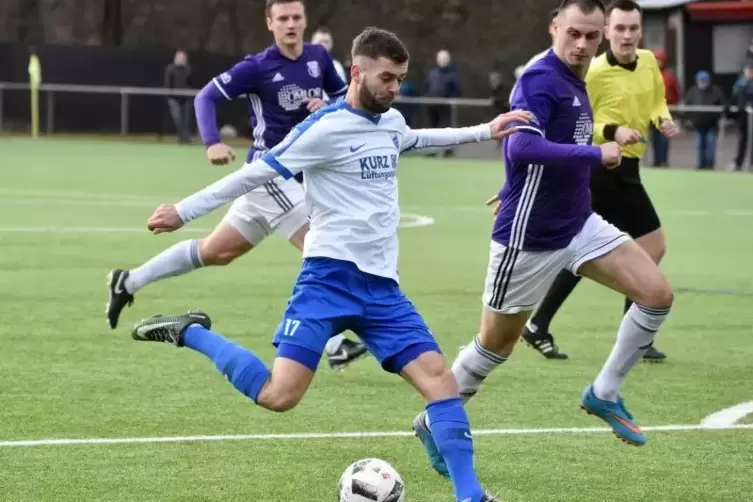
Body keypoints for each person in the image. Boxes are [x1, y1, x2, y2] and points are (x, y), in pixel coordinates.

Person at [132, 27, 530, 502]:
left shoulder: (392, 121)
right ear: (358, 72)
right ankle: (191, 331)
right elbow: (254, 173)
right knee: (280, 396)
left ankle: (471, 496)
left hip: (383, 289)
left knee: (441, 384)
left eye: (401, 79)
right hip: (326, 280)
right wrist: (184, 210)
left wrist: (487, 129)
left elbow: (419, 137)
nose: (395, 88)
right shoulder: (323, 129)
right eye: (387, 78)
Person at [414, 0, 674, 479]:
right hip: (528, 237)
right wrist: (597, 153)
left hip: (577, 222)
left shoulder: (578, 76)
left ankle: (605, 393)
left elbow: (536, 149)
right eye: (573, 33)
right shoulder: (539, 79)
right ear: (555, 27)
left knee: (656, 295)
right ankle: (436, 418)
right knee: (496, 345)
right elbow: (521, 143)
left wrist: (518, 179)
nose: (582, 44)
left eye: (591, 36)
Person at [106, 0, 367, 371]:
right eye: (283, 19)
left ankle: (128, 282)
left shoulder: (319, 59)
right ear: (269, 23)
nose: (291, 24)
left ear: (305, 20)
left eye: (296, 17)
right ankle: (336, 343)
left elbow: (345, 98)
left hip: (297, 179)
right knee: (321, 246)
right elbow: (206, 96)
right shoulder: (257, 67)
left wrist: (324, 103)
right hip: (269, 174)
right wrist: (212, 140)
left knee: (216, 252)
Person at [519, 0, 676, 362]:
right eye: (619, 29)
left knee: (611, 249)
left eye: (633, 29)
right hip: (601, 169)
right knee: (642, 246)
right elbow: (577, 126)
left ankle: (539, 324)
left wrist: (662, 119)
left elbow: (656, 101)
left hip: (630, 170)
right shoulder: (594, 71)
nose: (627, 35)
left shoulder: (649, 62)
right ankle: (635, 336)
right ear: (606, 33)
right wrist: (612, 130)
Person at [684, 70, 725, 170]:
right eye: (700, 81)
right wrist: (688, 119)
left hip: (712, 124)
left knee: (710, 145)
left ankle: (709, 165)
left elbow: (723, 103)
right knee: (700, 145)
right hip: (699, 124)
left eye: (704, 81)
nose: (702, 83)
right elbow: (687, 105)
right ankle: (701, 164)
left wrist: (720, 115)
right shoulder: (692, 91)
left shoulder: (716, 91)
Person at [163, 50, 194, 144]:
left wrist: (189, 94)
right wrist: (168, 97)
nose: (181, 59)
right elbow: (167, 83)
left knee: (186, 120)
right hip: (173, 99)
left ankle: (185, 138)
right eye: (179, 57)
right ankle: (183, 137)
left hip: (186, 98)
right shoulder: (170, 69)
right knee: (177, 119)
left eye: (183, 57)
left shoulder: (188, 69)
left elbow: (191, 83)